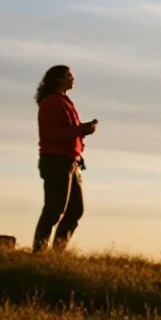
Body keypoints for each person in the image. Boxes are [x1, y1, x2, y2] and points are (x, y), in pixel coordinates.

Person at [33, 65, 98, 252]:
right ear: (58, 79)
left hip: (70, 161)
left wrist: (81, 134)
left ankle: (57, 252)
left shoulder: (64, 102)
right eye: (69, 76)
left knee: (75, 210)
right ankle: (39, 251)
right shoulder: (52, 102)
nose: (73, 79)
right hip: (56, 161)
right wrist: (82, 129)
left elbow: (67, 132)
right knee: (54, 209)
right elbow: (52, 133)